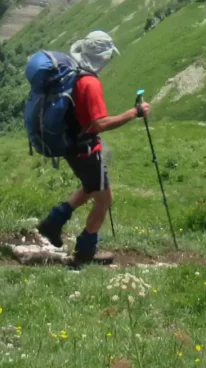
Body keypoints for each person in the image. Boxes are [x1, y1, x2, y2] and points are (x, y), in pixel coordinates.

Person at [36, 31, 150, 268]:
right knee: (105, 199)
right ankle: (86, 251)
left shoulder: (74, 73)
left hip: (70, 145)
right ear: (103, 57)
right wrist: (134, 113)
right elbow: (99, 124)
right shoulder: (90, 83)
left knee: (90, 188)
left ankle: (53, 222)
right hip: (85, 149)